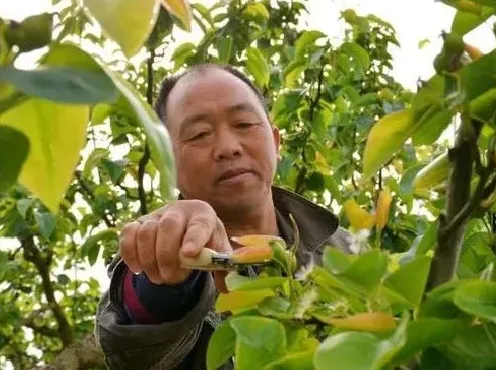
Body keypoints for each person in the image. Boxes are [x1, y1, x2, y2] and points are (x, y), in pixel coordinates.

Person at [93, 63, 353, 369]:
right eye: (199, 134)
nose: (228, 147)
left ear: (276, 142)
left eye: (244, 124)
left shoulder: (348, 252)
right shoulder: (164, 261)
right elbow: (139, 322)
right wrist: (172, 270)